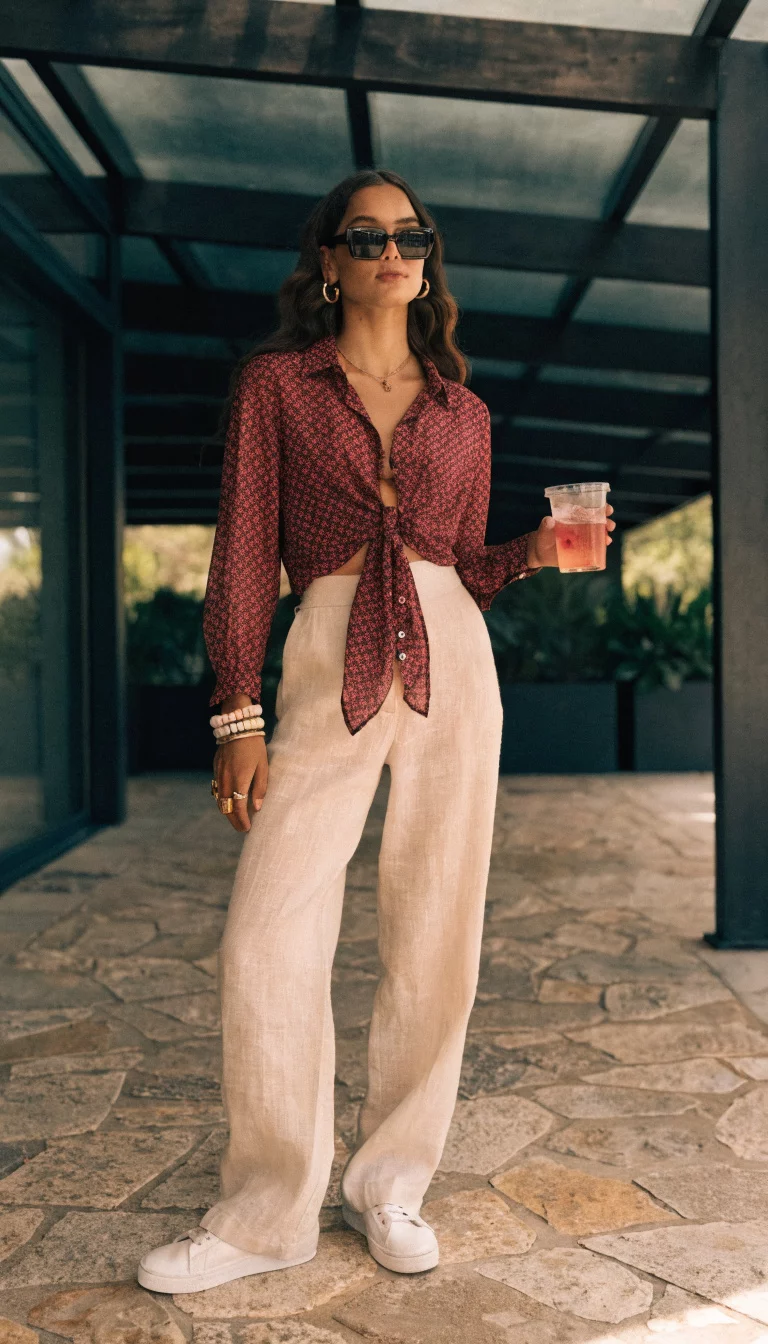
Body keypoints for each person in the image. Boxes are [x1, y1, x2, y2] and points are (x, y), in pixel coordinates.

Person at [138, 168, 615, 1295]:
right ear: (329, 261)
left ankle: (390, 1183)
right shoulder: (279, 388)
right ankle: (266, 1215)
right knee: (267, 932)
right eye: (369, 235)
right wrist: (236, 711)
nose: (396, 249)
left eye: (413, 235)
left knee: (437, 924)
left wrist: (534, 555)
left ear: (426, 257)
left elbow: (463, 566)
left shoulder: (465, 410)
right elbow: (246, 549)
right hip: (327, 645)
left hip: (453, 658)